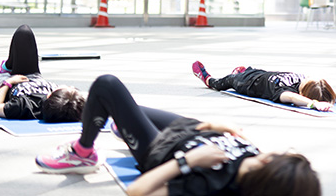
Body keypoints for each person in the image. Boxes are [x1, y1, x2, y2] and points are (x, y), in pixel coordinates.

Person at [36, 74, 321, 196]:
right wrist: (224, 129)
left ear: (266, 170)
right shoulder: (258, 163)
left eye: (281, 157)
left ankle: (83, 152)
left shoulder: (213, 185)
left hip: (162, 147)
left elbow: (137, 191)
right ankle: (123, 127)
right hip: (193, 128)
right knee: (114, 108)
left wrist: (188, 162)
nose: (282, 151)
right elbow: (249, 151)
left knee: (106, 88)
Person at [192, 61, 336, 111]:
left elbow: (292, 99)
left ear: (304, 92)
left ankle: (207, 78)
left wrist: (313, 104)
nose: (307, 77)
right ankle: (241, 70)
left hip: (246, 83)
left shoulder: (285, 92)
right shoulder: (314, 84)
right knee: (246, 69)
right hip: (261, 72)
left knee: (221, 83)